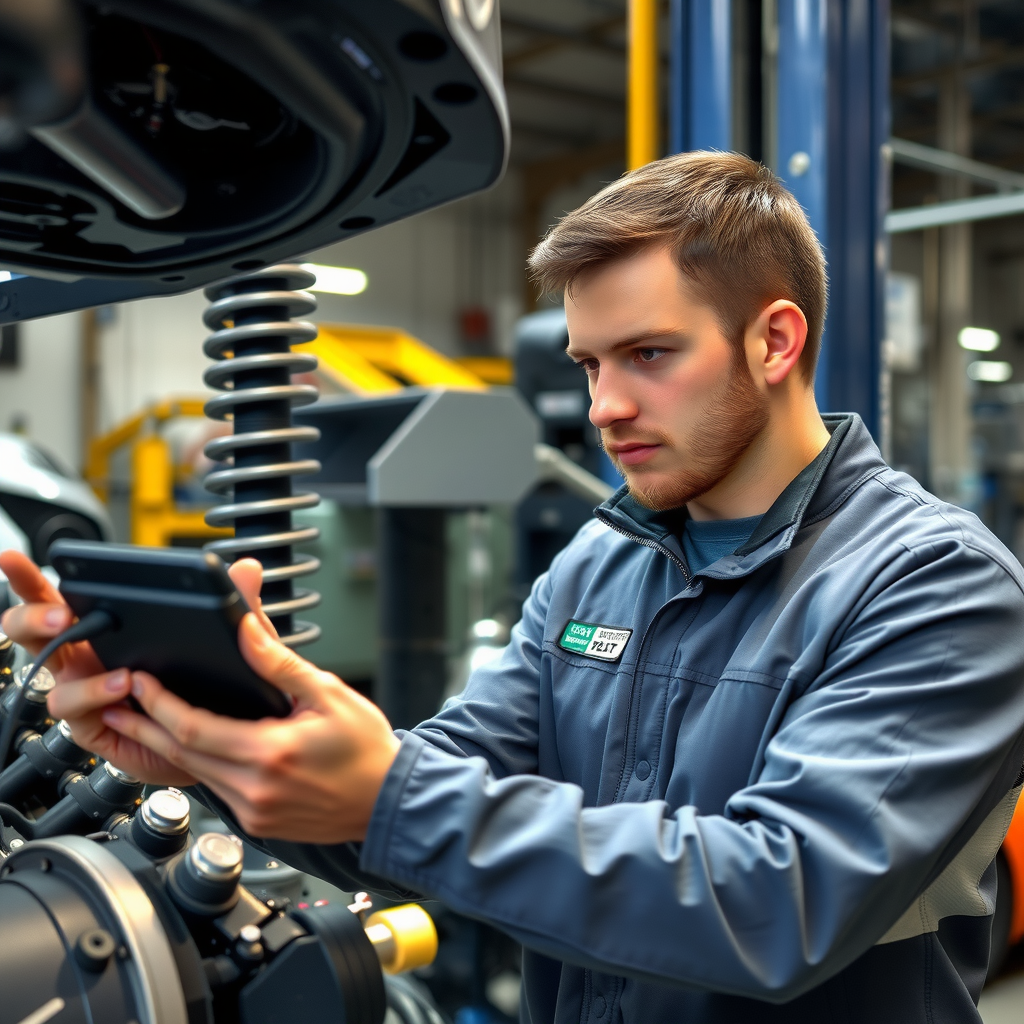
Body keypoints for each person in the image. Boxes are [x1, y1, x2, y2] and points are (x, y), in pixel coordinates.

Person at [5, 151, 1024, 1024]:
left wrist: (393, 793)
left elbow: (777, 898)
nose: (605, 405)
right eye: (588, 363)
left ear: (774, 339)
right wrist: (198, 742)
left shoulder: (935, 586)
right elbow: (418, 805)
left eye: (649, 355)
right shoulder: (600, 563)